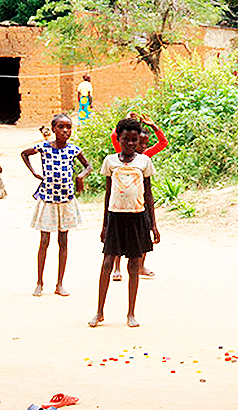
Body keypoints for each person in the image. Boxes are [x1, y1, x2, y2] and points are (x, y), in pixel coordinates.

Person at [89, 117, 160, 328]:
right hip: (115, 217)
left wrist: (153, 224)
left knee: (133, 265)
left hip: (138, 217)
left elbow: (148, 194)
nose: (130, 144)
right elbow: (108, 193)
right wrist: (104, 224)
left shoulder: (144, 161)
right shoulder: (110, 161)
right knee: (107, 264)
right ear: (118, 139)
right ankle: (99, 312)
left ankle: (131, 313)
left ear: (138, 141)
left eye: (134, 140)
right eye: (126, 139)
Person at [21, 114, 92, 297]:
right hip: (48, 199)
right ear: (53, 129)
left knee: (63, 241)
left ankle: (60, 284)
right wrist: (35, 173)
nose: (65, 131)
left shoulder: (73, 150)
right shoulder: (43, 147)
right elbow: (24, 154)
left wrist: (80, 177)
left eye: (68, 127)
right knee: (44, 241)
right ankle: (39, 282)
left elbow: (88, 166)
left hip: (66, 199)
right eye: (61, 127)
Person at [109, 112, 168, 280]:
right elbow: (115, 135)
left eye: (144, 144)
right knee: (119, 238)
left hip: (139, 203)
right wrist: (128, 120)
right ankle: (117, 269)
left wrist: (153, 126)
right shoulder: (120, 155)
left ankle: (140, 266)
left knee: (143, 234)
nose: (141, 146)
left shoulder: (145, 158)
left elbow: (163, 143)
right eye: (138, 142)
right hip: (120, 205)